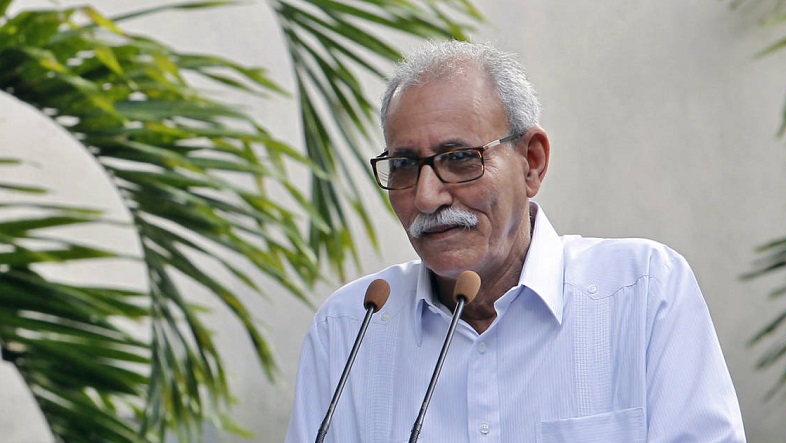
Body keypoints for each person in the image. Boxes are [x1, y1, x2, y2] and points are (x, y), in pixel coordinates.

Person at [285, 40, 746, 443]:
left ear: (532, 162)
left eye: (459, 158)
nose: (426, 197)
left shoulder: (641, 291)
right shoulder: (351, 328)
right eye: (404, 165)